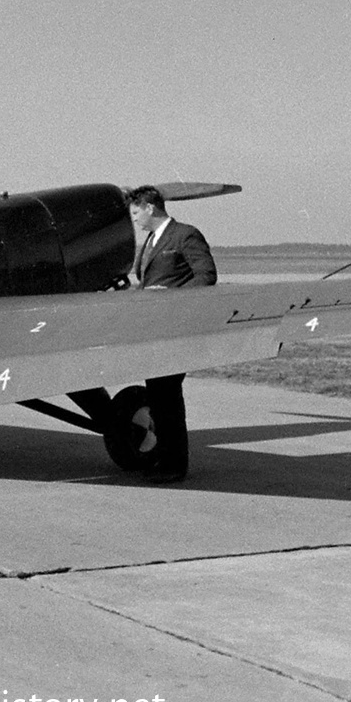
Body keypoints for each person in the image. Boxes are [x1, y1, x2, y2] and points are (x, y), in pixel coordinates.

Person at [124, 185, 216, 482]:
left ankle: (175, 466)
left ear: (150, 208)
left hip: (177, 330)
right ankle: (164, 460)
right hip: (156, 331)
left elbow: (206, 276)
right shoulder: (151, 240)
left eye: (136, 213)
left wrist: (171, 296)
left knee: (168, 399)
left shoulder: (185, 235)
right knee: (160, 398)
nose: (135, 220)